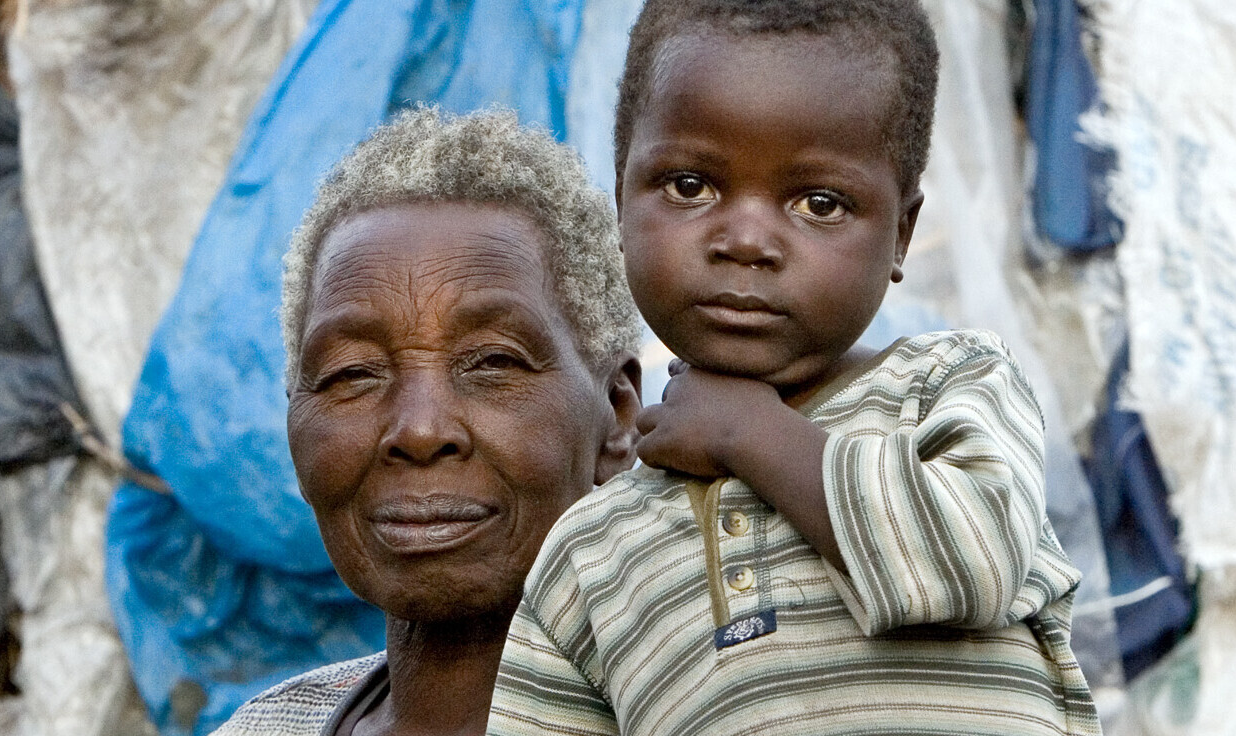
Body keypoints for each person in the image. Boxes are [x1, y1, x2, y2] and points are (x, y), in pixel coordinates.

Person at [488, 0, 1098, 734]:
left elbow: (974, 558)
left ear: (900, 235)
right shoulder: (590, 551)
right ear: (621, 197)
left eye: (819, 203)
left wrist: (751, 435)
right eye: (689, 186)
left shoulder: (947, 387)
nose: (745, 240)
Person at [212, 108, 645, 735]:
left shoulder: (713, 715)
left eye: (493, 362)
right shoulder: (267, 727)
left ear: (617, 413)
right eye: (351, 373)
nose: (418, 431)